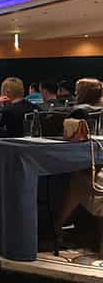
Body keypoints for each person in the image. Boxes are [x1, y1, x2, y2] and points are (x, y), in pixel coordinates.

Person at [56, 78, 103, 239]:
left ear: (81, 93)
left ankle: (56, 227)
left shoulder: (78, 112)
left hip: (88, 165)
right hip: (97, 164)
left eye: (77, 90)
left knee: (74, 181)